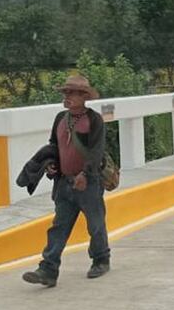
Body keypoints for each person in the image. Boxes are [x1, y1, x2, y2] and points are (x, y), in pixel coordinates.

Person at [22, 74, 111, 287]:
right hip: (64, 183)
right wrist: (51, 164)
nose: (67, 97)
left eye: (72, 93)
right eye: (66, 93)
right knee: (58, 227)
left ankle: (101, 260)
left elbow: (96, 151)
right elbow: (54, 145)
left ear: (84, 97)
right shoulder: (60, 119)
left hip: (88, 183)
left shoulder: (94, 120)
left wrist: (85, 175)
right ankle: (48, 269)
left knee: (95, 225)